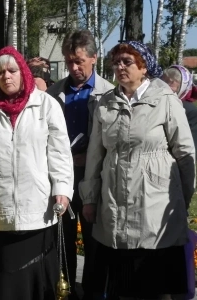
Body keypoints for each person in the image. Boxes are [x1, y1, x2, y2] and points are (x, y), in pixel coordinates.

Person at [79, 41, 195, 299]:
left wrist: (181, 199)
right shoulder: (106, 103)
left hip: (155, 204)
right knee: (123, 285)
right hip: (115, 203)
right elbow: (96, 155)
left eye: (127, 62)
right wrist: (89, 199)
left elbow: (185, 154)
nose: (120, 67)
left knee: (154, 285)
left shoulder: (165, 100)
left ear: (144, 67)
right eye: (116, 62)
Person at [0, 46, 74, 300]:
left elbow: (59, 153)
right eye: (0, 72)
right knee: (3, 286)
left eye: (12, 70)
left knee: (37, 287)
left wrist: (62, 189)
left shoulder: (46, 105)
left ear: (23, 71)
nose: (6, 76)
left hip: (38, 210)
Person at [46, 29, 114, 300]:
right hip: (62, 177)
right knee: (62, 239)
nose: (74, 67)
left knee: (95, 239)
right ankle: (67, 290)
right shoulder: (53, 93)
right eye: (69, 61)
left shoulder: (108, 93)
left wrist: (91, 159)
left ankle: (95, 292)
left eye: (80, 61)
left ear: (94, 58)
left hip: (96, 178)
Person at [162, 65, 197, 151]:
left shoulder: (188, 109)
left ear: (182, 88)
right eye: (164, 82)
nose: (165, 88)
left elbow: (190, 146)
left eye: (171, 85)